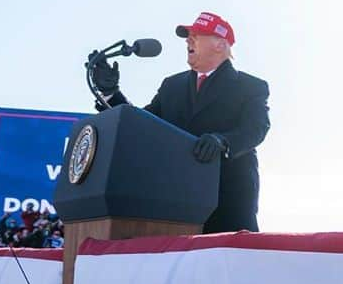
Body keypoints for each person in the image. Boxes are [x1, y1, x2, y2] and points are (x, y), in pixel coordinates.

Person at [91, 12, 270, 233]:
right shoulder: (171, 85)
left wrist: (223, 142)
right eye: (188, 36)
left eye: (197, 35)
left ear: (221, 45)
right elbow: (141, 124)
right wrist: (110, 93)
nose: (189, 40)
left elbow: (257, 128)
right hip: (175, 202)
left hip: (227, 199)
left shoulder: (250, 86)